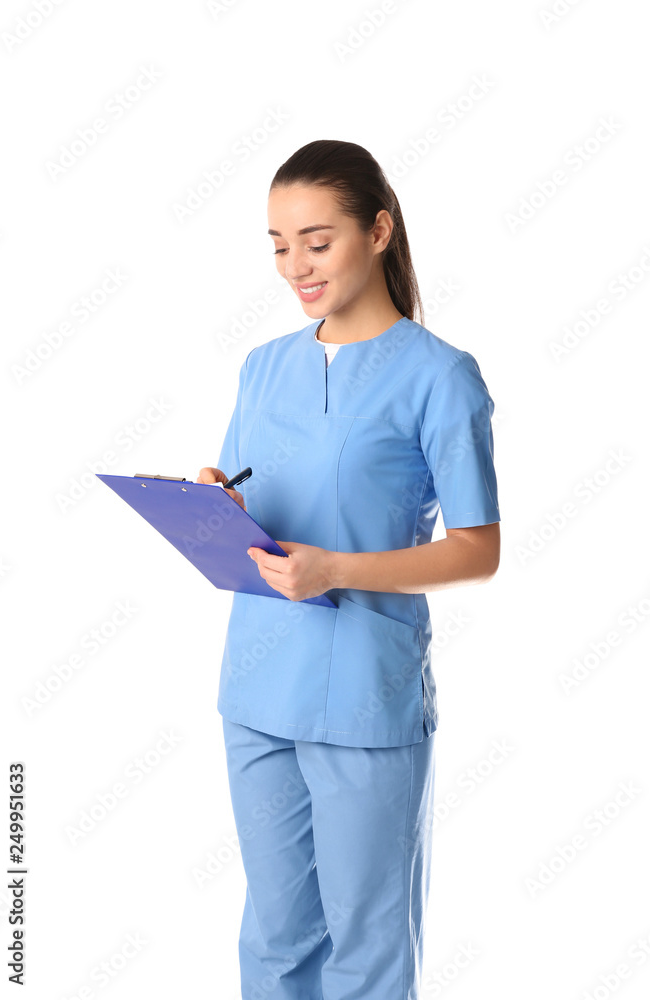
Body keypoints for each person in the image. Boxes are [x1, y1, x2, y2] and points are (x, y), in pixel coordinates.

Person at [198, 139, 501, 1000]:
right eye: (278, 244)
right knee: (275, 937)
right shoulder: (264, 368)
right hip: (257, 693)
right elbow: (252, 511)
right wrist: (211, 504)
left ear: (378, 230)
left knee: (367, 951)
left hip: (364, 697)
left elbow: (479, 549)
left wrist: (337, 570)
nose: (295, 265)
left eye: (317, 240)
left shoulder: (440, 377)